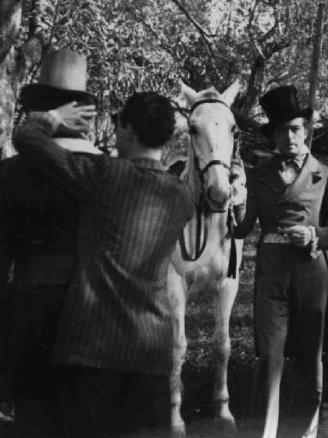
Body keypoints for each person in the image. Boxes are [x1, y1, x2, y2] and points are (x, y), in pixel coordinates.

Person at [12, 90, 198, 437]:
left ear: (126, 129)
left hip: (92, 349)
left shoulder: (105, 176)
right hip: (153, 354)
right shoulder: (181, 196)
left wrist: (55, 117)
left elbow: (26, 138)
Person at [233, 85, 328, 438]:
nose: (288, 138)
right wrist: (228, 205)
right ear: (272, 135)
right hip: (270, 271)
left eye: (295, 129)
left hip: (310, 270)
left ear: (307, 131)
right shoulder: (258, 175)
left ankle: (305, 432)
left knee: (308, 359)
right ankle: (266, 433)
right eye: (280, 131)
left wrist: (317, 235)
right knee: (270, 357)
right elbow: (242, 228)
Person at [0, 49, 101, 437]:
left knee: (31, 415)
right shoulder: (101, 171)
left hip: (26, 307)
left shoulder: (9, 172)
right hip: (88, 310)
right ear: (82, 116)